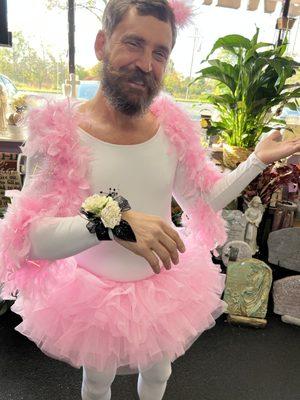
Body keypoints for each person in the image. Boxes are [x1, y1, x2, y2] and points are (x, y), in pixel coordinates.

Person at [1, 1, 300, 399]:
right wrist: (111, 224)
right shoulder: (60, 134)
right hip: (91, 294)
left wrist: (254, 162)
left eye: (160, 52)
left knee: (160, 373)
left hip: (163, 285)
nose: (146, 63)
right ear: (102, 44)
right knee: (96, 381)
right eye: (133, 43)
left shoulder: (170, 131)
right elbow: (30, 238)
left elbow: (202, 202)